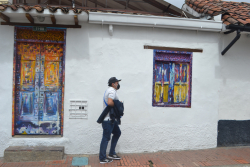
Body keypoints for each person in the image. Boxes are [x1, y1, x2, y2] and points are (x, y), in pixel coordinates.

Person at [99, 77, 122, 164]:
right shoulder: (112, 91)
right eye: (117, 82)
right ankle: (102, 158)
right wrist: (118, 104)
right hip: (108, 120)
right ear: (113, 84)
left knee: (117, 133)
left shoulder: (110, 90)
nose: (118, 84)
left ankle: (112, 153)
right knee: (106, 138)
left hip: (111, 119)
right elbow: (109, 102)